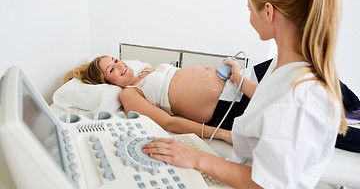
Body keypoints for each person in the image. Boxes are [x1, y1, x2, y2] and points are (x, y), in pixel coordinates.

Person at [142, 0, 348, 188]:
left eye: (250, 8)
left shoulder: (301, 98)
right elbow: (271, 100)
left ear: (269, 12)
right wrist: (239, 81)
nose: (250, 16)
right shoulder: (283, 66)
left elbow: (266, 184)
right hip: (237, 162)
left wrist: (196, 157)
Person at [65, 55, 256, 144]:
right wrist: (221, 134)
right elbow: (169, 122)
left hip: (239, 82)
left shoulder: (146, 70)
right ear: (107, 82)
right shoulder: (129, 93)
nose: (119, 65)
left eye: (115, 60)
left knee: (284, 76)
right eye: (111, 70)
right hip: (228, 107)